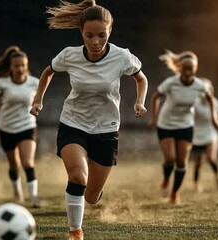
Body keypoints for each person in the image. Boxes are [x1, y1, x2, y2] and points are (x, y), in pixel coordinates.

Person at [30, 1, 148, 239]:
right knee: (77, 178)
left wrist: (139, 102)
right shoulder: (69, 55)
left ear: (110, 32)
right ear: (81, 33)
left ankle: (91, 198)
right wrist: (37, 100)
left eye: (102, 35)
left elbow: (141, 79)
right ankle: (75, 232)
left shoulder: (121, 56)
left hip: (106, 129)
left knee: (91, 196)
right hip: (73, 123)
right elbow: (47, 72)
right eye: (89, 35)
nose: (95, 42)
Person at [149, 50, 218, 205]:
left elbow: (211, 99)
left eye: (191, 69)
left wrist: (214, 117)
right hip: (166, 124)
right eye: (185, 68)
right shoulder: (171, 82)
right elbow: (155, 97)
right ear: (180, 68)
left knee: (181, 162)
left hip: (186, 125)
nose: (188, 71)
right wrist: (153, 117)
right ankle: (166, 179)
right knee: (170, 158)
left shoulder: (200, 85)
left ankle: (175, 193)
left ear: (195, 69)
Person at [0, 46, 41, 208]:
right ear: (10, 67)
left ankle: (34, 197)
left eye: (23, 65)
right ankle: (18, 192)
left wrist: (37, 107)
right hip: (6, 128)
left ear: (26, 65)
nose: (20, 68)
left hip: (27, 126)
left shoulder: (34, 83)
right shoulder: (2, 83)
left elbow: (38, 101)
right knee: (14, 165)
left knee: (28, 162)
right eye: (16, 65)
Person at [192, 78, 218, 192]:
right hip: (197, 134)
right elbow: (189, 114)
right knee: (198, 161)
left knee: (210, 157)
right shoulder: (195, 102)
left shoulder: (215, 102)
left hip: (210, 133)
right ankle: (196, 183)